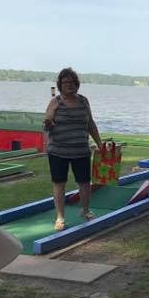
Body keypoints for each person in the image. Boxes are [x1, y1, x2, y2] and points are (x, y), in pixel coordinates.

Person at [44, 67, 102, 231]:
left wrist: (100, 143)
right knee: (59, 183)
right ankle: (60, 217)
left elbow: (90, 124)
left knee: (84, 182)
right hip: (58, 151)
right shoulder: (55, 102)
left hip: (81, 150)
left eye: (72, 82)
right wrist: (48, 123)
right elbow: (47, 122)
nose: (69, 85)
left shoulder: (83, 101)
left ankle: (85, 211)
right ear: (60, 85)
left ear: (77, 84)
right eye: (65, 82)